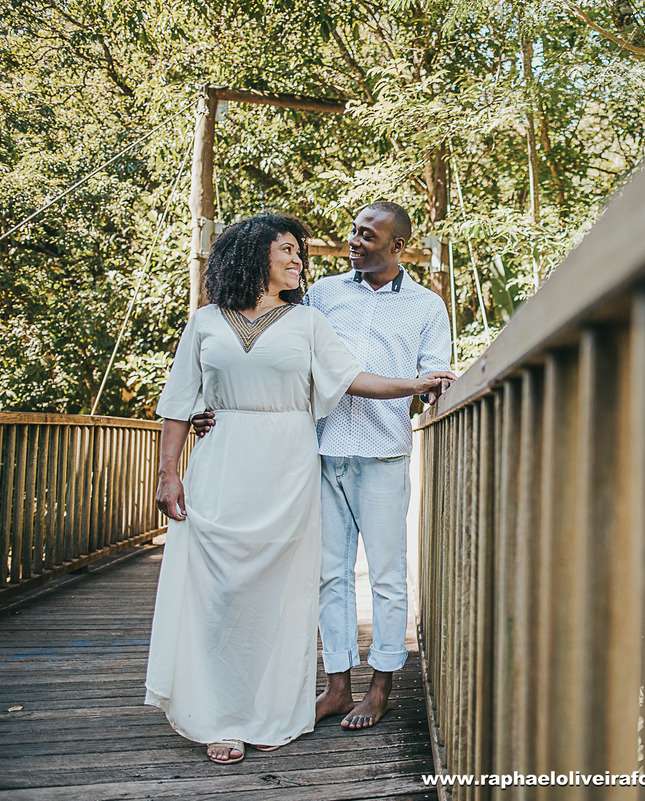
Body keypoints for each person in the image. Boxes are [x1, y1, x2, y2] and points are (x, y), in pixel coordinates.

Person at [148, 213, 454, 765]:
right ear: (255, 255)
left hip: (320, 460)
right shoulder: (240, 315)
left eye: (300, 253)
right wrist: (173, 465)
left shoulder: (331, 316)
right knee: (255, 588)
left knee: (310, 588)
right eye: (289, 251)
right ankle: (241, 706)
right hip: (255, 460)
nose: (301, 261)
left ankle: (316, 702)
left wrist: (420, 384)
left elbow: (352, 377)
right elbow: (183, 396)